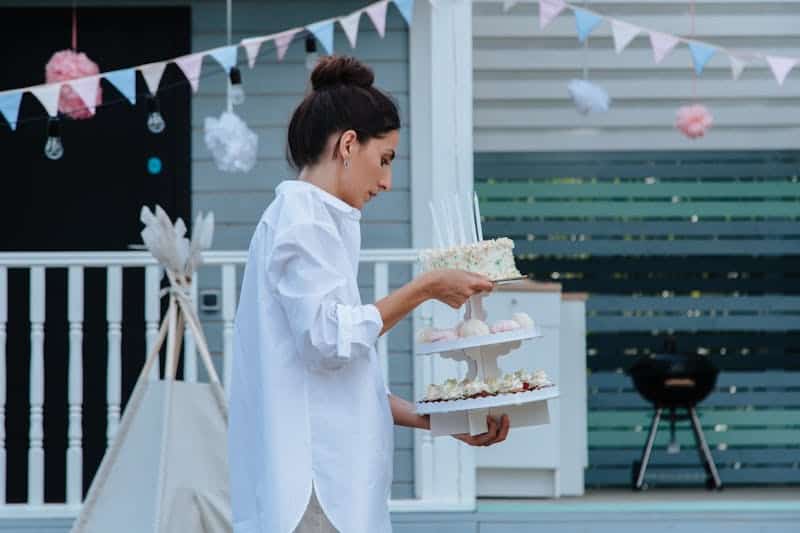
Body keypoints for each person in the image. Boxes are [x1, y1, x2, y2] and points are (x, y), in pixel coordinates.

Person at [228, 55, 511, 533]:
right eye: (384, 160)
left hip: (331, 488)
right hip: (314, 489)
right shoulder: (303, 220)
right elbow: (329, 340)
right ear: (348, 145)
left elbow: (343, 380)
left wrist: (441, 420)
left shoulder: (316, 220)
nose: (386, 182)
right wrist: (424, 288)